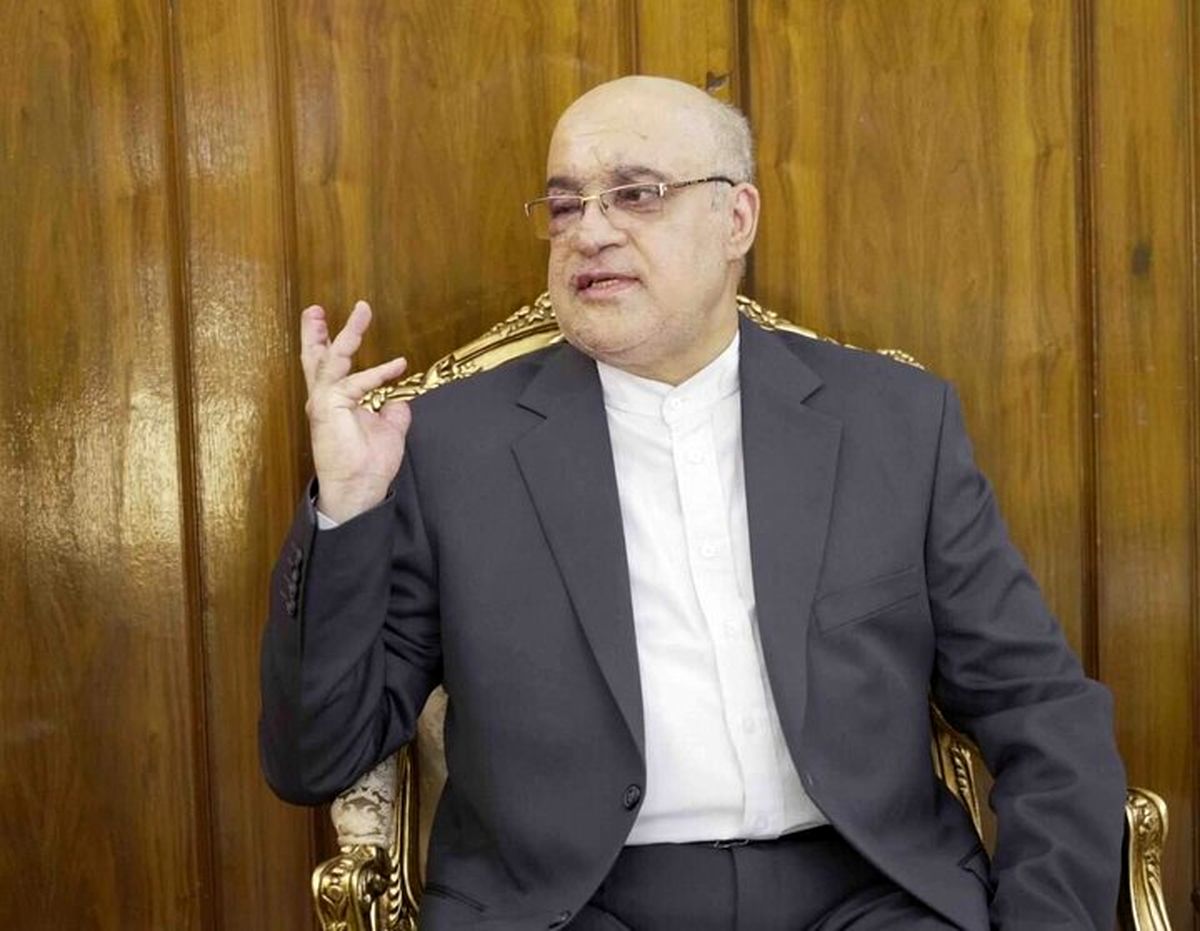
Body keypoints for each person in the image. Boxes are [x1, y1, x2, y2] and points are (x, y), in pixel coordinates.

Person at [260, 76, 1126, 930]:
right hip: (574, 906)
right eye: (564, 204)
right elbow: (316, 757)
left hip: (870, 894)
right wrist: (348, 510)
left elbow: (1040, 708)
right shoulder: (452, 447)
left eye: (636, 194)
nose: (590, 230)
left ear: (735, 219)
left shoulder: (894, 424)